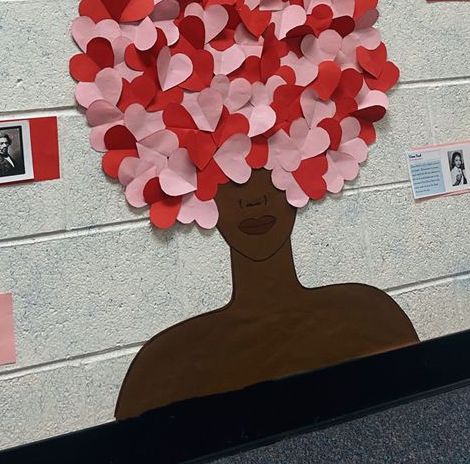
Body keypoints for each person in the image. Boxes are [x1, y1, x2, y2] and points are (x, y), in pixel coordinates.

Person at [115, 168, 419, 418]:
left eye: (274, 174)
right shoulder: (164, 364)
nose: (254, 200)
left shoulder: (368, 317)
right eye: (227, 180)